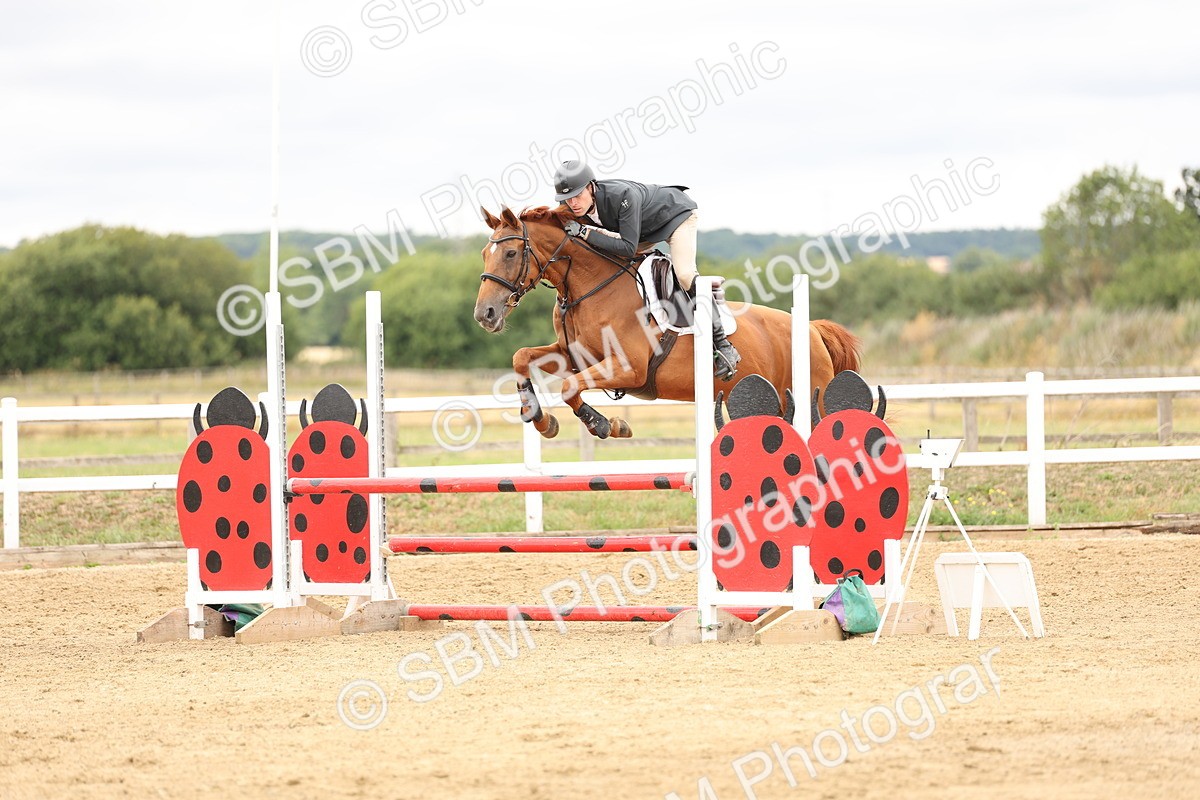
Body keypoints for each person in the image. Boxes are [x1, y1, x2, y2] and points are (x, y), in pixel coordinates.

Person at [551, 160, 741, 380]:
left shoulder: (622, 196)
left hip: (675, 218)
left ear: (591, 186)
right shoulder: (572, 204)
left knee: (685, 275)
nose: (573, 203)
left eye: (577, 195)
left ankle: (723, 345)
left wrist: (585, 232)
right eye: (568, 198)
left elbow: (628, 248)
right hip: (641, 231)